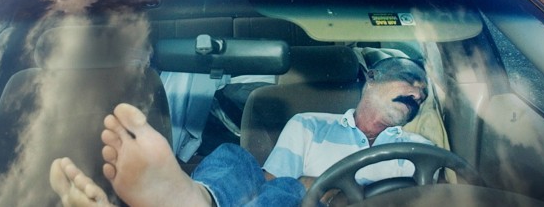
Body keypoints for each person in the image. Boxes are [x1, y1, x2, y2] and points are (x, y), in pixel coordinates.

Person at [50, 57, 431, 207]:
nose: (416, 93)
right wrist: (316, 187)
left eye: (423, 94)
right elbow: (269, 183)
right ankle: (195, 199)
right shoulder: (310, 124)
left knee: (294, 185)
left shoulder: (423, 149)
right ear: (370, 78)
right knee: (245, 164)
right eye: (408, 80)